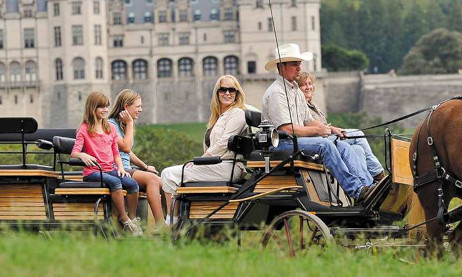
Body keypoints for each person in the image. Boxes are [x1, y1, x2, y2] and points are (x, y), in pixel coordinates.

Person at [261, 43, 375, 201]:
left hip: (297, 140)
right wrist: (318, 131)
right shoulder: (276, 93)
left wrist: (331, 129)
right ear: (282, 66)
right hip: (281, 144)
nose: (299, 68)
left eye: (299, 64)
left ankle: (368, 188)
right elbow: (286, 129)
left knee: (341, 144)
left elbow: (308, 120)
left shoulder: (294, 90)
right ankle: (356, 191)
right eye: (295, 64)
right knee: (325, 145)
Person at [160, 75, 249, 225]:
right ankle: (181, 216)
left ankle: (171, 223)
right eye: (223, 89)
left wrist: (201, 160)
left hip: (228, 167)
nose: (227, 93)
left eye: (231, 90)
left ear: (237, 93)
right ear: (217, 92)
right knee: (177, 175)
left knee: (168, 174)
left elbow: (224, 143)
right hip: (217, 165)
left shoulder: (238, 113)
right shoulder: (218, 117)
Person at [70, 92, 143, 236]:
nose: (105, 110)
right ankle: (124, 219)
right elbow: (74, 152)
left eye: (106, 107)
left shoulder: (110, 128)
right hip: (93, 172)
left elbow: (116, 152)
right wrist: (82, 154)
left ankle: (132, 219)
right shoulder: (84, 129)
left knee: (133, 184)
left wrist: (121, 167)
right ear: (92, 108)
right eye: (101, 107)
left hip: (110, 169)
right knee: (115, 183)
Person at [296, 71, 386, 181]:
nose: (308, 87)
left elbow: (323, 125)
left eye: (310, 83)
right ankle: (378, 174)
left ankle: (366, 185)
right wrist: (330, 129)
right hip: (319, 141)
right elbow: (308, 128)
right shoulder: (300, 106)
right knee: (357, 134)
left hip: (326, 136)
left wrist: (333, 129)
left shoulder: (312, 105)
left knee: (358, 150)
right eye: (304, 84)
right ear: (297, 89)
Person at [109, 89, 165, 227]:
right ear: (126, 106)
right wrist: (130, 123)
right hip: (117, 169)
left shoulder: (123, 124)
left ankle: (169, 220)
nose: (140, 110)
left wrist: (145, 166)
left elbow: (127, 152)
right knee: (151, 180)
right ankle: (160, 225)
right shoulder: (111, 125)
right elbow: (126, 148)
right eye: (138, 106)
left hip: (127, 168)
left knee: (163, 181)